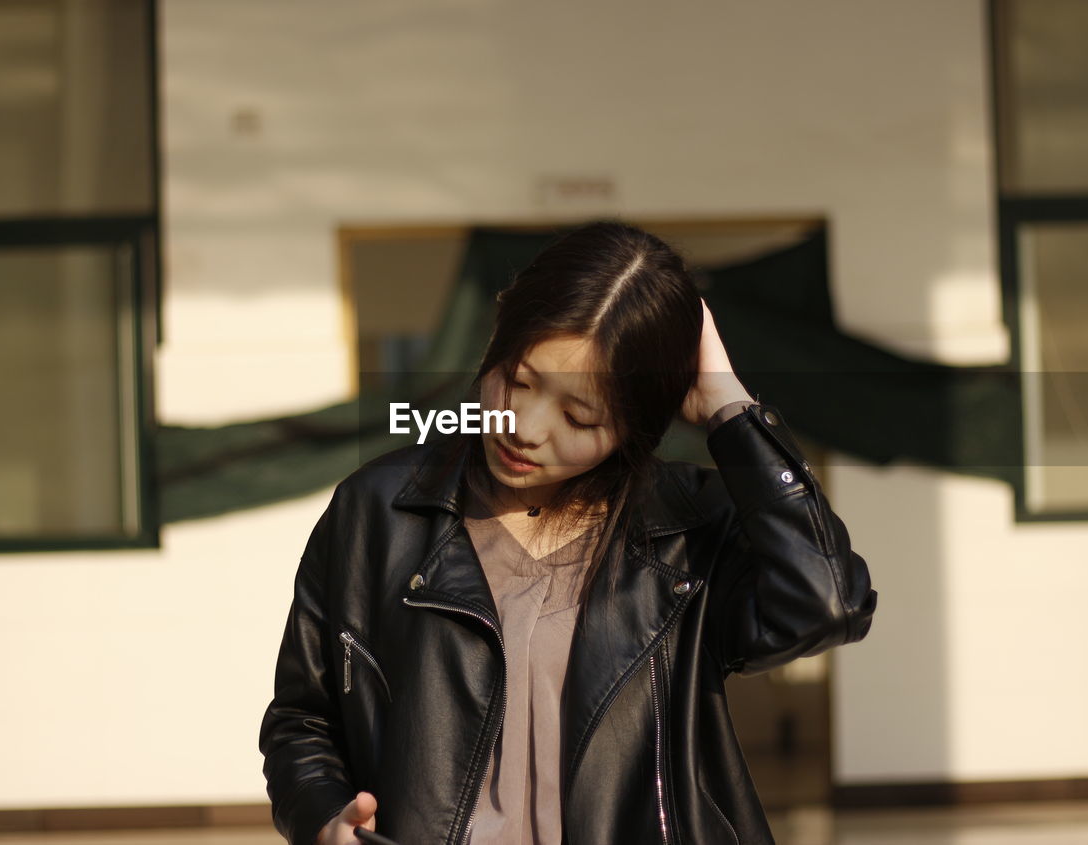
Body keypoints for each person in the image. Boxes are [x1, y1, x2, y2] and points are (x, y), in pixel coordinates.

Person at [259, 220, 878, 845]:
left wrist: (731, 410)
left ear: (638, 428)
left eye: (578, 415)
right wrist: (323, 822)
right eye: (518, 381)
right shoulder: (380, 511)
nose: (523, 427)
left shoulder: (692, 531)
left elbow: (827, 604)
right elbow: (302, 721)